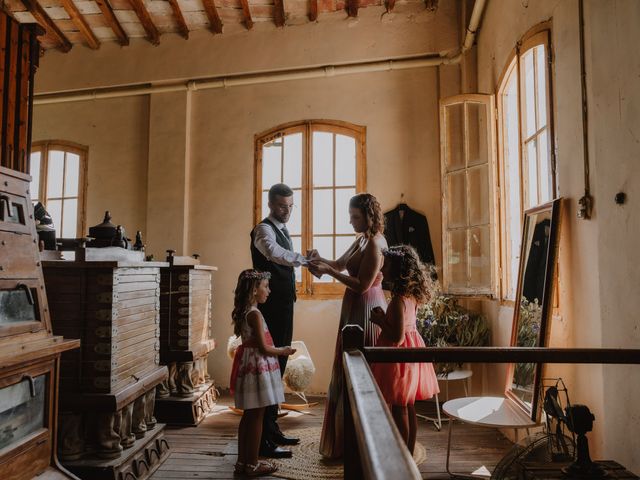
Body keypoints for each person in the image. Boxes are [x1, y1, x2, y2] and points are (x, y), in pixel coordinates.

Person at [308, 193, 388, 459]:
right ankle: (345, 440)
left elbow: (363, 284)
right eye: (350, 215)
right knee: (346, 365)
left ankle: (366, 444)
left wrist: (330, 274)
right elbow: (340, 265)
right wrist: (320, 260)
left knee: (362, 368)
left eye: (355, 216)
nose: (350, 220)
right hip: (352, 305)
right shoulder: (361, 239)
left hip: (367, 305)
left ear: (369, 216)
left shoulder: (376, 244)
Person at [250, 183, 310, 457]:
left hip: (284, 305)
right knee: (271, 367)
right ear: (271, 205)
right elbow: (274, 254)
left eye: (290, 206)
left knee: (279, 366)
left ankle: (271, 431)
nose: (287, 211)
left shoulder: (283, 230)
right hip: (271, 306)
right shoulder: (263, 230)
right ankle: (263, 440)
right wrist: (304, 261)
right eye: (282, 206)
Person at [369, 245, 440, 454]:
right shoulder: (410, 296)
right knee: (408, 406)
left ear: (398, 269)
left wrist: (380, 320)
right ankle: (408, 450)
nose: (383, 268)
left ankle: (402, 453)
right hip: (412, 354)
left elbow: (397, 337)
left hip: (399, 359)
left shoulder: (398, 300)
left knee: (400, 408)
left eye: (387, 264)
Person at [230, 269, 296, 477]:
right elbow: (264, 348)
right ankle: (252, 464)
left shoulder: (245, 312)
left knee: (248, 417)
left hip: (249, 366)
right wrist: (283, 350)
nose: (269, 290)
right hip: (258, 368)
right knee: (257, 415)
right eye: (265, 286)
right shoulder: (255, 314)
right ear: (254, 290)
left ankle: (242, 462)